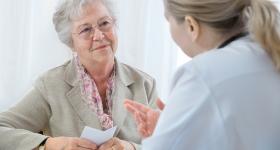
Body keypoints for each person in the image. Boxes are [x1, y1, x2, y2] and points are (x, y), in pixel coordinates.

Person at [0, 0, 158, 150]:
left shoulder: (145, 84)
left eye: (104, 23)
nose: (99, 35)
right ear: (71, 43)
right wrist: (50, 144)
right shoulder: (50, 85)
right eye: (86, 29)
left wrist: (131, 147)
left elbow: (167, 143)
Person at [124, 0, 280, 149]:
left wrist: (170, 134)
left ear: (191, 25)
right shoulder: (268, 51)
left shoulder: (200, 74)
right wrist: (180, 130)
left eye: (168, 21)